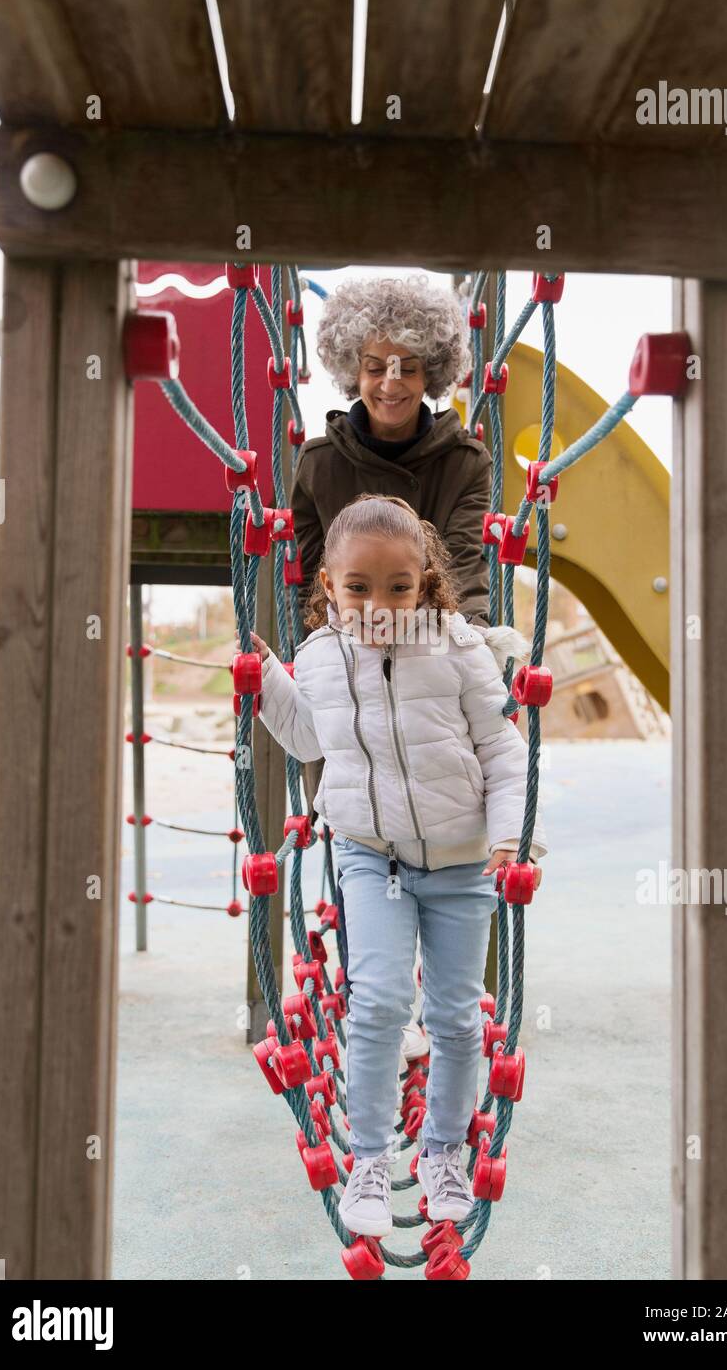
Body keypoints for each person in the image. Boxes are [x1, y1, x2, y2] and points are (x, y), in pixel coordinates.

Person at [249, 494, 547, 1239]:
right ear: (329, 586)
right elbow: (310, 739)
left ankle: (445, 1150)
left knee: (453, 1017)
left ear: (426, 584)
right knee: (377, 1003)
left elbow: (507, 756)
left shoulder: (456, 650)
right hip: (368, 856)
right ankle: (371, 1161)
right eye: (358, 588)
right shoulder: (320, 657)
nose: (376, 605)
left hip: (460, 862)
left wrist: (509, 839)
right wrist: (265, 686)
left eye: (397, 587)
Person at [289, 273, 492, 824]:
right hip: (348, 664)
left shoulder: (464, 462)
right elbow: (310, 581)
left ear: (432, 372)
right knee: (356, 823)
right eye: (376, 366)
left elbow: (463, 563)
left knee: (447, 811)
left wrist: (475, 654)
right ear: (353, 371)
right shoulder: (318, 465)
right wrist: (306, 670)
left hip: (431, 659)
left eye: (408, 366)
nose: (391, 383)